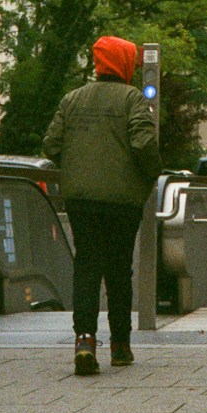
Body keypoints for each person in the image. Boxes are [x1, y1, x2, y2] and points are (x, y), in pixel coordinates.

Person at [42, 35, 160, 376]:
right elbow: (143, 142)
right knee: (119, 269)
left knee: (87, 266)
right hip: (122, 202)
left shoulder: (72, 99)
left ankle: (84, 340)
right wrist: (151, 172)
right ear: (123, 64)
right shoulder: (132, 99)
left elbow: (51, 145)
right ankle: (121, 346)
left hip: (80, 199)